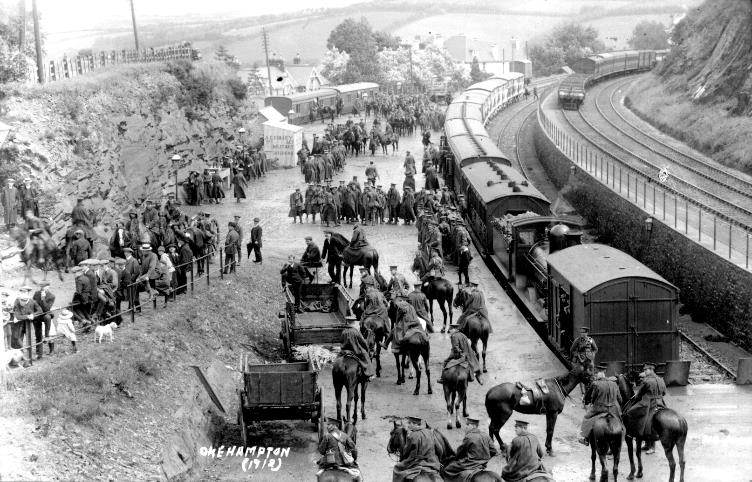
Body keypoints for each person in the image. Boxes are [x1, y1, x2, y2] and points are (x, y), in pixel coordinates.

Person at [624, 362, 667, 454]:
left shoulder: (647, 381)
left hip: (648, 403)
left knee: (630, 412)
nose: (644, 372)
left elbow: (639, 394)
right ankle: (648, 444)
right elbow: (664, 393)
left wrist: (635, 399)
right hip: (660, 402)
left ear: (651, 370)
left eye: (645, 370)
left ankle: (633, 435)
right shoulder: (661, 379)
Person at [578, 364, 623, 446]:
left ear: (598, 373)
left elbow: (592, 398)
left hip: (599, 408)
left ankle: (586, 439)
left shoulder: (596, 383)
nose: (596, 375)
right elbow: (620, 399)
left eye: (596, 373)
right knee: (621, 421)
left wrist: (587, 401)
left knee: (586, 418)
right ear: (604, 373)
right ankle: (623, 435)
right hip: (613, 409)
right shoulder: (614, 384)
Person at [441, 417, 498, 482]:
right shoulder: (486, 435)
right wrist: (485, 459)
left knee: (448, 469)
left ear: (472, 425)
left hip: (469, 464)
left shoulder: (469, 437)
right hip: (483, 464)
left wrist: (455, 457)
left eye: (467, 425)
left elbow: (460, 452)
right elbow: (494, 451)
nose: (466, 428)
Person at [392, 416, 442, 482]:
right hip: (432, 462)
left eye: (410, 423)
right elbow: (440, 449)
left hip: (416, 463)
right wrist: (437, 460)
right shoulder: (430, 432)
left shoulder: (412, 435)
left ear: (415, 424)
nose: (409, 425)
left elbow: (406, 453)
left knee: (397, 469)